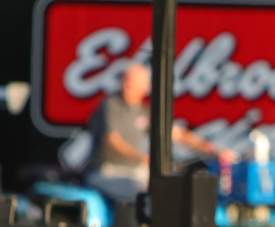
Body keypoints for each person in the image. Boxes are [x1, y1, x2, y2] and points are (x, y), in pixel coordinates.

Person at [85, 62, 230, 203]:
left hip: (135, 171)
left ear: (146, 86)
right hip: (107, 170)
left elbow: (175, 133)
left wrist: (210, 148)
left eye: (133, 81)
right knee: (148, 189)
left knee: (174, 184)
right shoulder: (111, 105)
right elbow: (111, 141)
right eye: (125, 79)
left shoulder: (143, 112)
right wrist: (142, 157)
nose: (127, 84)